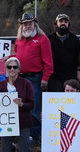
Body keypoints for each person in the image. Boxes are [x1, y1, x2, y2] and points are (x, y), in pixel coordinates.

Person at [12, 13, 53, 143]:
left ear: (35, 24)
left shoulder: (42, 39)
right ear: (22, 26)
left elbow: (48, 61)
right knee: (18, 106)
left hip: (35, 78)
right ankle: (22, 134)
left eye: (30, 23)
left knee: (33, 108)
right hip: (20, 78)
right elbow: (18, 56)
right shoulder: (19, 39)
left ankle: (34, 136)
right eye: (25, 24)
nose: (27, 26)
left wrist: (45, 78)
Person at [0, 56, 35, 152]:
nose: (12, 69)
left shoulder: (26, 84)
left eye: (15, 67)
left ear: (19, 69)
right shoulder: (1, 85)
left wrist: (22, 104)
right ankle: (11, 146)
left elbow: (31, 104)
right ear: (6, 69)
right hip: (7, 123)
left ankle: (28, 141)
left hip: (23, 122)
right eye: (9, 67)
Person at [47, 13, 80, 92]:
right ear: (56, 23)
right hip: (54, 78)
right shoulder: (48, 39)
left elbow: (79, 57)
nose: (63, 23)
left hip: (71, 77)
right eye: (61, 21)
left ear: (68, 24)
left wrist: (79, 71)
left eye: (65, 22)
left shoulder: (75, 39)